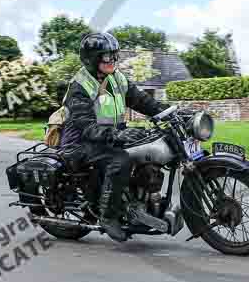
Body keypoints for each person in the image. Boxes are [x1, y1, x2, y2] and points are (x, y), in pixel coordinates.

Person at [59, 33, 168, 242]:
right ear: (92, 59)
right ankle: (108, 216)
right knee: (120, 160)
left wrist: (169, 112)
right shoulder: (80, 86)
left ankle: (138, 200)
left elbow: (143, 101)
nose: (113, 61)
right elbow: (87, 126)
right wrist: (117, 134)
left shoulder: (116, 78)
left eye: (115, 56)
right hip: (79, 143)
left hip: (106, 138)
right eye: (107, 57)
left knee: (147, 146)